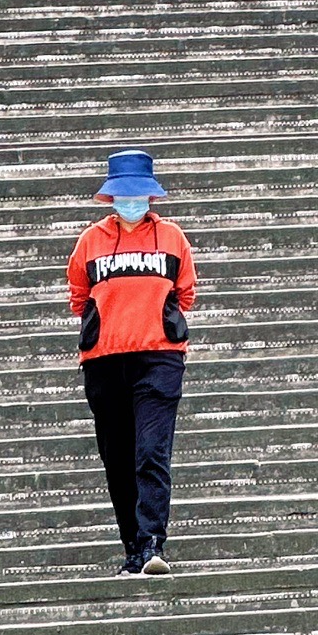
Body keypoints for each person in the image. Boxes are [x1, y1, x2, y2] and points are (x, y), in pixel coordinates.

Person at [69, 149, 197, 578]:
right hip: (104, 361)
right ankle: (132, 550)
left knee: (151, 452)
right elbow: (78, 297)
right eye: (124, 196)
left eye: (138, 195)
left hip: (159, 358)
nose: (131, 203)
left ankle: (152, 544)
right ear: (111, 198)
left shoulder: (173, 237)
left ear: (151, 197)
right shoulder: (90, 241)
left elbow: (187, 294)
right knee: (118, 458)